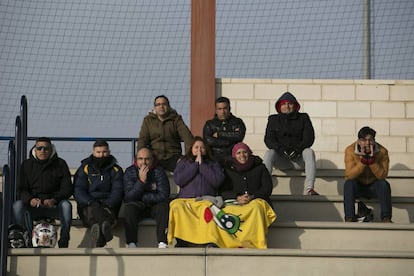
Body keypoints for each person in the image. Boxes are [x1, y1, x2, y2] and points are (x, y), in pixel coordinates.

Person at [13, 137, 73, 248]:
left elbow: (67, 188)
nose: (42, 151)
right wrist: (30, 200)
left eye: (46, 148)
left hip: (53, 206)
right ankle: (27, 240)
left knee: (66, 205)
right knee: (18, 205)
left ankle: (64, 240)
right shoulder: (26, 165)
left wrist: (54, 199)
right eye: (39, 148)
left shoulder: (60, 164)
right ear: (34, 149)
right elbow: (21, 189)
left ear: (51, 149)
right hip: (33, 207)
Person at [168, 136, 224, 247]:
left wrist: (202, 166)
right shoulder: (184, 162)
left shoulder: (213, 163)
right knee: (177, 206)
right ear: (191, 149)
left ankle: (209, 241)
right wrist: (195, 166)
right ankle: (181, 240)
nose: (199, 150)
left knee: (208, 209)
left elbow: (217, 181)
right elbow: (179, 180)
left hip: (206, 199)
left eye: (202, 147)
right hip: (186, 200)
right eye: (196, 147)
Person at [219, 142, 276, 248]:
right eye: (238, 153)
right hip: (236, 201)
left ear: (249, 153)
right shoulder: (228, 170)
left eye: (244, 152)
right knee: (225, 211)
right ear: (234, 156)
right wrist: (237, 197)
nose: (242, 155)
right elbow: (222, 191)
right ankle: (232, 243)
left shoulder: (260, 167)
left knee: (256, 208)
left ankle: (255, 242)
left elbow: (267, 189)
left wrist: (252, 196)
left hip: (256, 200)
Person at [263, 91, 319, 195]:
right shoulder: (273, 119)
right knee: (269, 153)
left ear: (295, 105)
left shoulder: (303, 118)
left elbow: (309, 138)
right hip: (281, 159)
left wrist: (298, 150)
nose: (287, 106)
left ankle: (310, 188)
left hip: (298, 159)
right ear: (279, 106)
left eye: (290, 103)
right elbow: (268, 139)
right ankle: (264, 188)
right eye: (284, 104)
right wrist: (280, 149)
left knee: (309, 152)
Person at [74, 140, 124, 247]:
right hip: (89, 204)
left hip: (108, 205)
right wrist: (90, 202)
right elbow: (79, 190)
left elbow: (118, 191)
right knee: (95, 211)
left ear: (109, 152)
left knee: (101, 213)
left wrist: (108, 203)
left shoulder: (116, 170)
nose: (101, 155)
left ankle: (100, 237)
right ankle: (105, 231)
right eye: (98, 152)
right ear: (93, 152)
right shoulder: (85, 168)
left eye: (104, 152)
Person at [123, 147, 170, 248]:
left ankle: (162, 242)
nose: (144, 162)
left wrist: (141, 196)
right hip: (138, 205)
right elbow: (129, 197)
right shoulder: (130, 172)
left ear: (152, 160)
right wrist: (141, 182)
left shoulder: (159, 171)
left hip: (155, 206)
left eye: (147, 159)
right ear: (136, 159)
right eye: (140, 159)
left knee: (163, 207)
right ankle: (131, 243)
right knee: (129, 208)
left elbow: (163, 195)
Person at [343, 126, 392, 223]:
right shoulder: (350, 150)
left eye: (370, 140)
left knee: (384, 184)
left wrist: (372, 162)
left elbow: (382, 175)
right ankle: (349, 217)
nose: (367, 143)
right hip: (358, 185)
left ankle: (386, 217)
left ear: (374, 141)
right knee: (349, 184)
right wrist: (363, 162)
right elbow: (349, 175)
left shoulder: (382, 151)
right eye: (363, 140)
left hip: (374, 185)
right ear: (358, 141)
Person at [137, 95, 194, 172]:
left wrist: (188, 157)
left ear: (168, 106)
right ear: (155, 108)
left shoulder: (176, 119)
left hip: (174, 156)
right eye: (158, 104)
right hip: (155, 157)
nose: (161, 107)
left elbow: (188, 138)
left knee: (187, 169)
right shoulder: (148, 121)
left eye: (164, 104)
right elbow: (142, 140)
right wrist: (140, 157)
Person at [203, 96, 246, 165]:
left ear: (229, 109)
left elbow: (239, 136)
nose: (222, 111)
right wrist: (228, 142)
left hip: (233, 156)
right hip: (214, 157)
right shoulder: (210, 124)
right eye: (219, 109)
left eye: (225, 108)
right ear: (216, 110)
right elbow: (208, 141)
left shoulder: (237, 122)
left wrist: (220, 134)